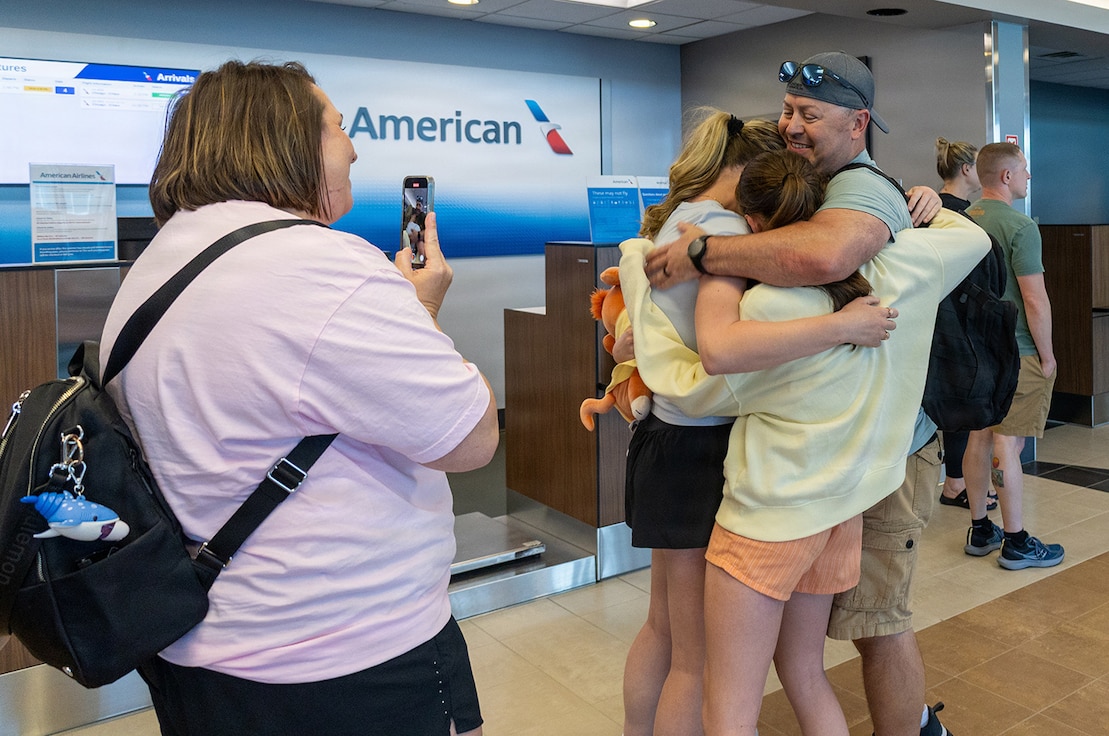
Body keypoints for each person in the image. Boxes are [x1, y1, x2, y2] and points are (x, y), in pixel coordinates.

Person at [99, 60, 499, 736]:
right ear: (288, 142)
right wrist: (421, 309)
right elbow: (470, 438)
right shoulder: (320, 265)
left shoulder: (165, 257)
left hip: (203, 647)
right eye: (339, 128)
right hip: (340, 661)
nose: (353, 147)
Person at [620, 149, 988, 735]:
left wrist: (647, 349)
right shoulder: (904, 271)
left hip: (769, 516)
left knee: (725, 701)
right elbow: (973, 237)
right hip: (844, 510)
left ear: (753, 223)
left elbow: (707, 382)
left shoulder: (760, 306)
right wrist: (927, 203)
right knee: (805, 672)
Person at [961, 143, 1063, 570]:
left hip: (974, 352)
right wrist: (1048, 354)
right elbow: (1034, 300)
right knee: (1008, 440)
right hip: (1016, 350)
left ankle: (981, 529)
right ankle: (1018, 540)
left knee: (980, 435)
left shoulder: (960, 223)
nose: (1028, 177)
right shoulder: (1022, 227)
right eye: (1024, 170)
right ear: (1006, 177)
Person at [933, 138, 998, 512]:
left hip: (937, 318)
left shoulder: (930, 208)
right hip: (957, 321)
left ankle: (953, 479)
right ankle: (955, 482)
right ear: (967, 169)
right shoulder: (961, 217)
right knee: (963, 404)